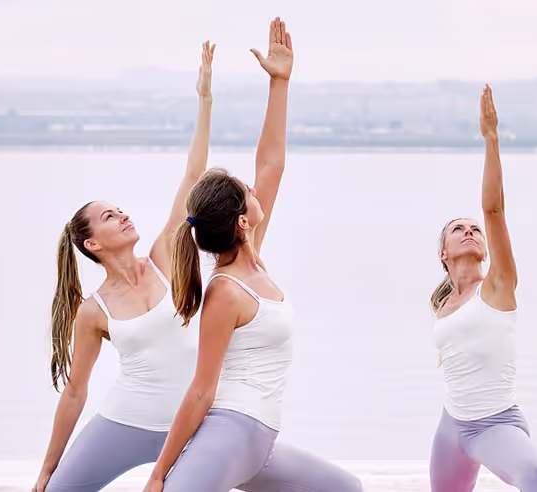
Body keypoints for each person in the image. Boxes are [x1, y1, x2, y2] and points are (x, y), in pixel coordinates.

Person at [142, 18, 362, 492]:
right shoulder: (225, 292)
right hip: (229, 433)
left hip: (259, 442)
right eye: (247, 190)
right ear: (242, 220)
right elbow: (201, 389)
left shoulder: (253, 257)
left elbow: (272, 163)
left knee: (345, 489)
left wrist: (279, 83)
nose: (255, 185)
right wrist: (159, 475)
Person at [33, 41, 215, 492]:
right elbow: (76, 392)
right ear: (92, 243)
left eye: (121, 209)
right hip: (126, 420)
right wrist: (46, 470)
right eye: (109, 216)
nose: (123, 215)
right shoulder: (94, 311)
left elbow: (193, 177)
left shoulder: (163, 260)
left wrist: (204, 99)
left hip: (192, 425)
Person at [428, 84, 537, 492]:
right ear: (443, 254)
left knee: (535, 473)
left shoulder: (498, 287)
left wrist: (491, 138)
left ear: (484, 249)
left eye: (473, 230)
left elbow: (494, 209)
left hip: (495, 424)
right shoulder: (446, 303)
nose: (469, 232)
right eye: (457, 230)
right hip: (451, 426)